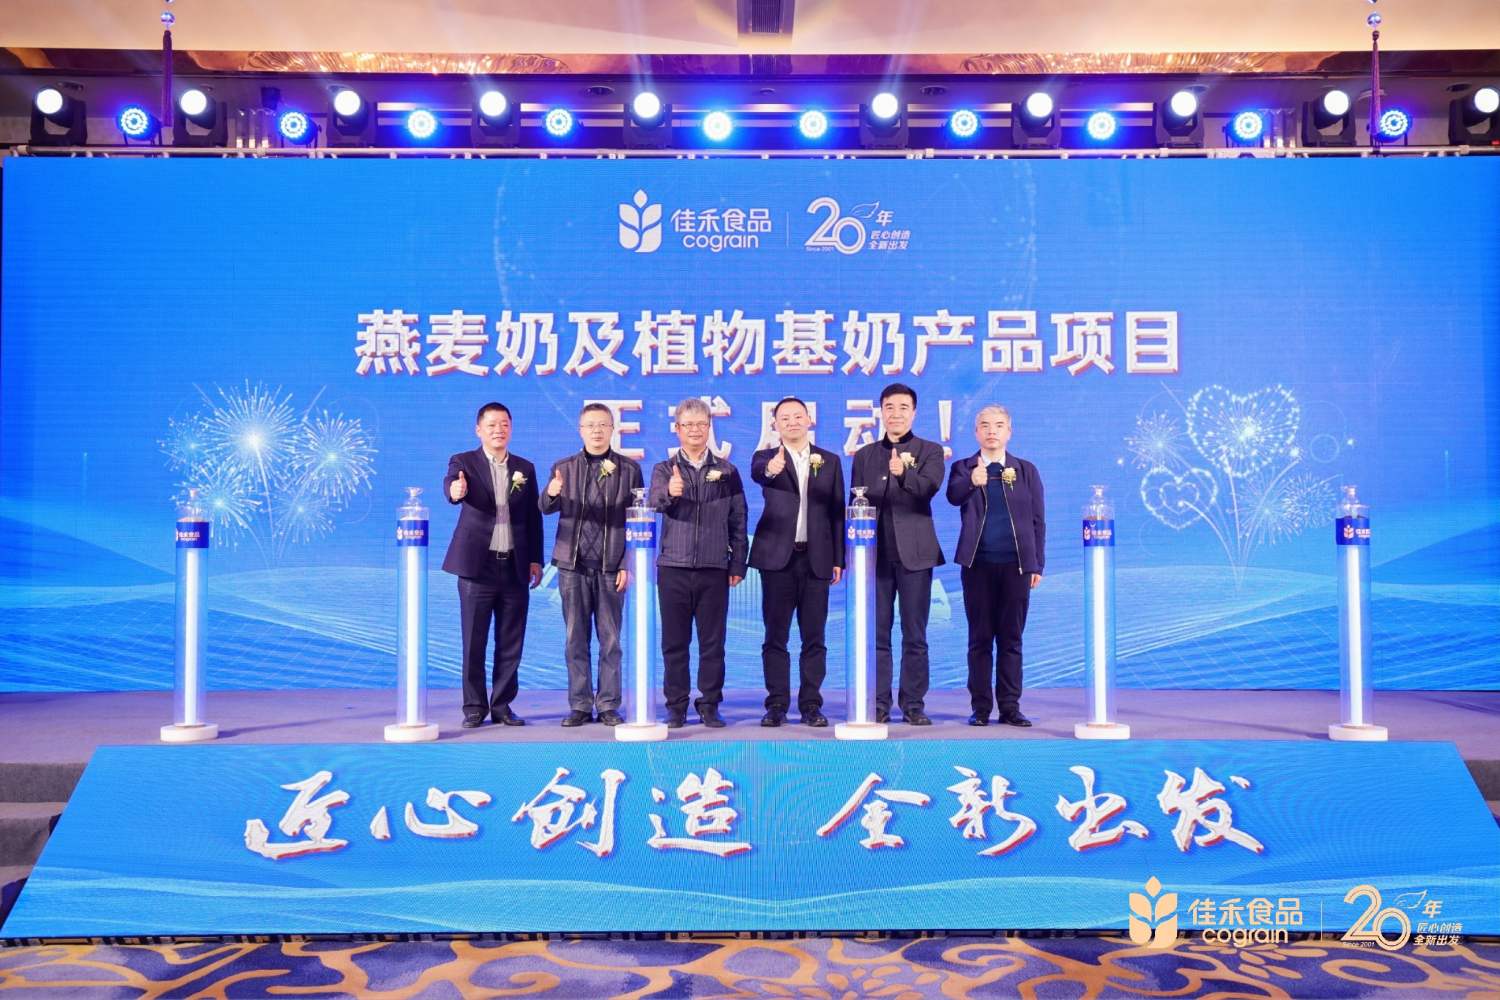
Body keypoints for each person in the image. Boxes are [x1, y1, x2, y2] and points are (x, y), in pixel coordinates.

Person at [539, 403, 643, 728]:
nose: (597, 431)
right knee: (575, 638)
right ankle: (580, 705)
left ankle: (609, 704)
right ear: (581, 430)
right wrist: (551, 492)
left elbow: (636, 520)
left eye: (602, 425)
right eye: (590, 425)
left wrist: (627, 562)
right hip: (572, 566)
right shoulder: (564, 468)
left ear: (612, 429)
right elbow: (545, 507)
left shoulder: (629, 469)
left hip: (612, 566)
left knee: (610, 640)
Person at [441, 402, 544, 729]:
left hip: (514, 565)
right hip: (477, 567)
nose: (499, 430)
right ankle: (474, 706)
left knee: (511, 641)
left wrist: (535, 559)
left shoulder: (524, 468)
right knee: (474, 641)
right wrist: (455, 491)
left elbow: (533, 517)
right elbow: (452, 486)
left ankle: (502, 705)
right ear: (479, 430)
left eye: (504, 424)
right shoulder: (464, 462)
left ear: (511, 428)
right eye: (492, 425)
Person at [647, 398, 748, 728]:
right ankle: (676, 706)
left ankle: (709, 704)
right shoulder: (664, 469)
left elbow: (738, 519)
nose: (694, 430)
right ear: (677, 429)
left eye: (701, 424)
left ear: (709, 428)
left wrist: (738, 563)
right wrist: (671, 492)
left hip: (714, 568)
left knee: (712, 644)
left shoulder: (727, 471)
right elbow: (653, 503)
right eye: (687, 425)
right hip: (673, 567)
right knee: (674, 643)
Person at [849, 383, 944, 725]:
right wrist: (851, 555)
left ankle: (913, 704)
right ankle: (877, 702)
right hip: (873, 557)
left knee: (914, 634)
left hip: (915, 555)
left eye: (903, 407)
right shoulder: (865, 455)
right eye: (889, 407)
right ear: (881, 412)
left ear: (914, 413)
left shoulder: (930, 451)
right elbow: (854, 505)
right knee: (877, 634)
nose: (896, 414)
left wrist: (905, 474)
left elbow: (929, 488)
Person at [945, 404, 1045, 727]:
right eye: (985, 426)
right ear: (976, 432)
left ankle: (1010, 707)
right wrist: (972, 482)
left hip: (1016, 567)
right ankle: (981, 708)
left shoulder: (1025, 470)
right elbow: (953, 496)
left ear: (1009, 432)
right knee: (980, 639)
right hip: (977, 565)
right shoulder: (963, 467)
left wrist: (1036, 564)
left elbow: (1038, 520)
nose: (992, 431)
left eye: (999, 425)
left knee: (1011, 639)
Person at [748, 396, 845, 728]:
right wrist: (771, 470)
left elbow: (837, 512)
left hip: (817, 559)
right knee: (776, 635)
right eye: (784, 418)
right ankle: (776, 704)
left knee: (814, 636)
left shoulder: (829, 460)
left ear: (809, 420)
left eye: (797, 416)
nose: (792, 422)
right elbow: (760, 474)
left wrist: (838, 558)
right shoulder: (764, 457)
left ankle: (811, 705)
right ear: (775, 424)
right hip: (778, 559)